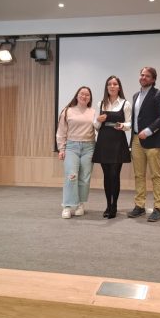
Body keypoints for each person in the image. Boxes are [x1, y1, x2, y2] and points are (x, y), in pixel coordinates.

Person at [127, 67, 160, 222]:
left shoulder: (159, 94)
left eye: (147, 76)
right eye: (142, 75)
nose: (143, 77)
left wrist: (149, 130)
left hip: (153, 140)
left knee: (156, 175)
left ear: (153, 79)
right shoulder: (136, 95)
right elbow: (136, 119)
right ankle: (139, 206)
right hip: (136, 140)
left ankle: (158, 208)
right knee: (139, 175)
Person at [92, 76, 131, 219]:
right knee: (107, 176)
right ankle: (108, 205)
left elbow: (130, 123)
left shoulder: (125, 103)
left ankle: (114, 206)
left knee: (115, 175)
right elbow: (96, 126)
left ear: (119, 87)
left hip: (118, 141)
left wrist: (123, 126)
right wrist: (98, 120)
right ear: (107, 87)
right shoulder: (101, 103)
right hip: (104, 140)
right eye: (110, 84)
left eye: (115, 84)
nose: (112, 86)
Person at [56, 86, 96, 219]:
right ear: (77, 95)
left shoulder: (93, 112)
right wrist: (61, 148)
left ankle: (80, 204)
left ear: (90, 98)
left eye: (87, 95)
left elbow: (98, 129)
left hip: (89, 147)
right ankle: (67, 206)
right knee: (71, 176)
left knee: (85, 178)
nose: (84, 96)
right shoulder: (67, 111)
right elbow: (61, 131)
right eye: (81, 94)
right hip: (71, 147)